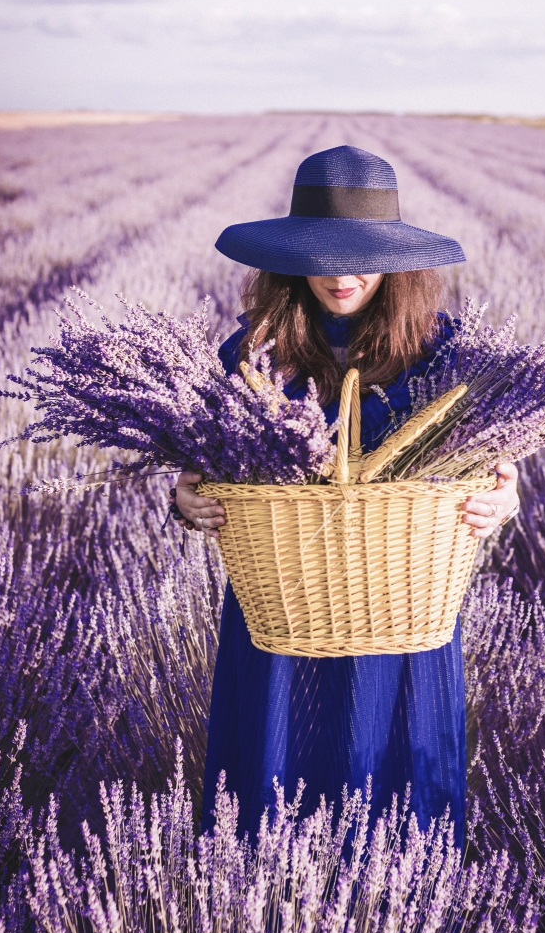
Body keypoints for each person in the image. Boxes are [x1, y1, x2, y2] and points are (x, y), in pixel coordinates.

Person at [171, 146, 520, 849]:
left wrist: (508, 495)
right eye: (322, 255)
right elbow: (202, 466)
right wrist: (186, 497)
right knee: (273, 775)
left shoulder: (441, 350)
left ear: (395, 259)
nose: (341, 274)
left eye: (363, 254)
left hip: (401, 602)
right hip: (284, 600)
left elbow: (494, 456)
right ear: (292, 258)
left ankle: (397, 918)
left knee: (392, 774)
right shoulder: (252, 350)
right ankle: (263, 911)